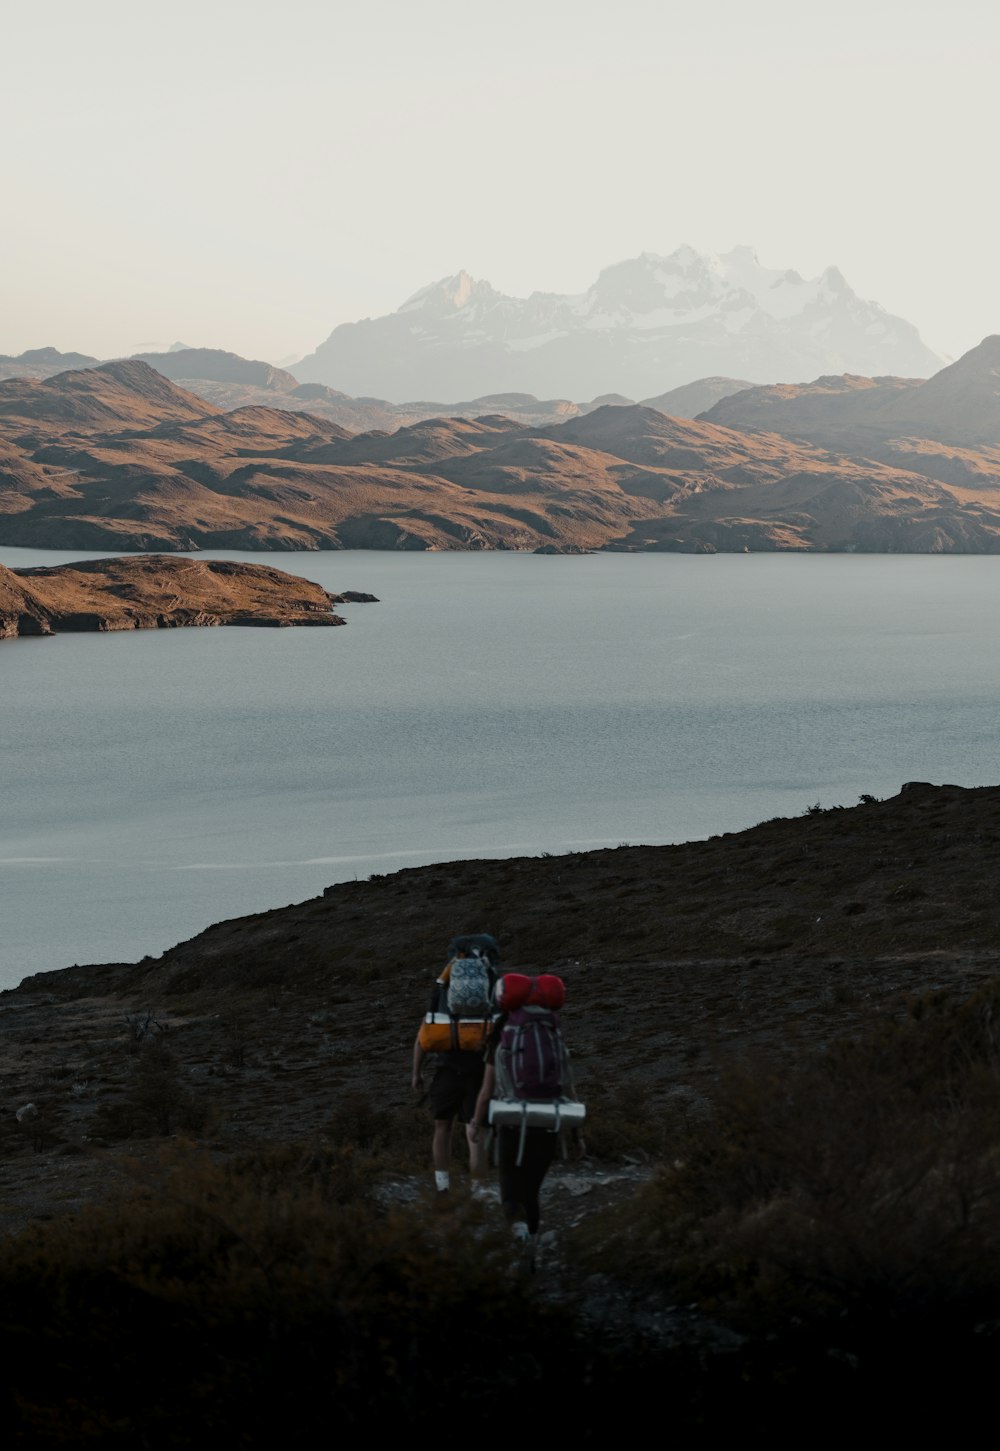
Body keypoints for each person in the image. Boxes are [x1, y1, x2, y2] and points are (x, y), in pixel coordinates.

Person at [470, 973, 585, 1257]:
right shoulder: (553, 1034)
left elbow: (485, 1092)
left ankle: (519, 1236)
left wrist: (475, 1123)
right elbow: (569, 1090)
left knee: (510, 1194)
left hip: (511, 1123)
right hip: (549, 1121)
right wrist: (577, 1135)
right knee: (532, 1192)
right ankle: (532, 1250)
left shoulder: (502, 1038)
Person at [411, 933, 500, 1194]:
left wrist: (416, 1072)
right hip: (481, 1070)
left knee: (442, 1127)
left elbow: (424, 1034)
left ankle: (442, 1187)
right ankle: (479, 1189)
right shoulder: (493, 982)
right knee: (476, 1132)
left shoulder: (444, 985)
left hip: (446, 1068)